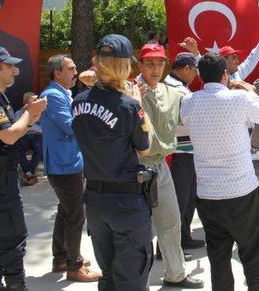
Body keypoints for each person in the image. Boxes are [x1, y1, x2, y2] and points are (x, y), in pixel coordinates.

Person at [180, 53, 259, 290]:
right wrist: (250, 91)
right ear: (225, 74)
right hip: (241, 191)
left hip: (208, 194)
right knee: (255, 255)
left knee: (218, 258)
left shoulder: (189, 102)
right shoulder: (239, 98)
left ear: (200, 76)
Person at [71, 34, 154, 291]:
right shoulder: (129, 105)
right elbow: (145, 146)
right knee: (131, 277)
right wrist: (139, 104)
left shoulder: (78, 101)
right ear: (122, 65)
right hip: (126, 202)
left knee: (108, 276)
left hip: (95, 199)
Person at [135, 43, 202, 288]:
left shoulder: (172, 92)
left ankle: (176, 274)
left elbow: (199, 106)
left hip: (160, 165)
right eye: (150, 63)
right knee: (137, 228)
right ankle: (133, 280)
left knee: (171, 222)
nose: (155, 69)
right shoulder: (129, 90)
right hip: (134, 167)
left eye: (160, 63)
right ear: (140, 65)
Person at [0, 47, 47, 291]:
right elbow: (8, 136)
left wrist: (30, 118)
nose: (14, 69)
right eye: (8, 65)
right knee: (12, 239)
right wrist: (30, 114)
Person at [39, 54, 100, 282]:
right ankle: (74, 266)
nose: (76, 72)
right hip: (64, 164)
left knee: (66, 212)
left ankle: (61, 258)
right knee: (76, 214)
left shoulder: (60, 93)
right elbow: (71, 126)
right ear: (57, 72)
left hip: (68, 162)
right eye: (71, 69)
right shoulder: (53, 95)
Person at [163, 48, 206, 251]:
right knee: (178, 201)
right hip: (179, 152)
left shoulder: (180, 86)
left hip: (187, 150)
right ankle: (171, 247)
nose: (196, 74)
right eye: (194, 70)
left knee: (188, 199)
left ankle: (183, 237)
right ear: (186, 68)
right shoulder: (173, 88)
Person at [14, 92, 42, 186]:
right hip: (23, 135)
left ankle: (28, 173)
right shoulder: (18, 113)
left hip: (36, 135)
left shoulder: (40, 113)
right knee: (19, 151)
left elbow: (44, 126)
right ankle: (30, 173)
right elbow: (17, 126)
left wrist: (37, 119)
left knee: (39, 150)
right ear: (25, 102)